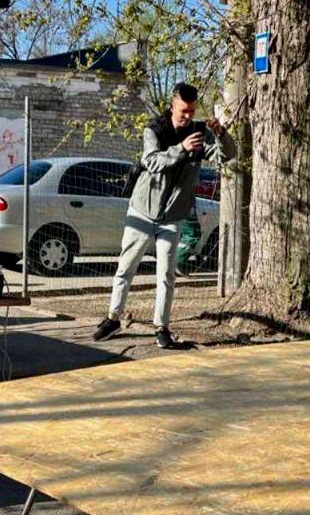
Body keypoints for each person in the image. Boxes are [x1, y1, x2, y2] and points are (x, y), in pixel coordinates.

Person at [93, 83, 236, 349]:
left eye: (192, 111)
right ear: (173, 106)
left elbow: (227, 156)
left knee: (166, 275)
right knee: (126, 267)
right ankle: (113, 318)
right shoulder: (154, 130)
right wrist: (181, 149)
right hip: (142, 211)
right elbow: (153, 161)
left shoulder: (199, 132)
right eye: (183, 111)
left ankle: (162, 327)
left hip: (172, 216)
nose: (187, 116)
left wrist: (220, 134)